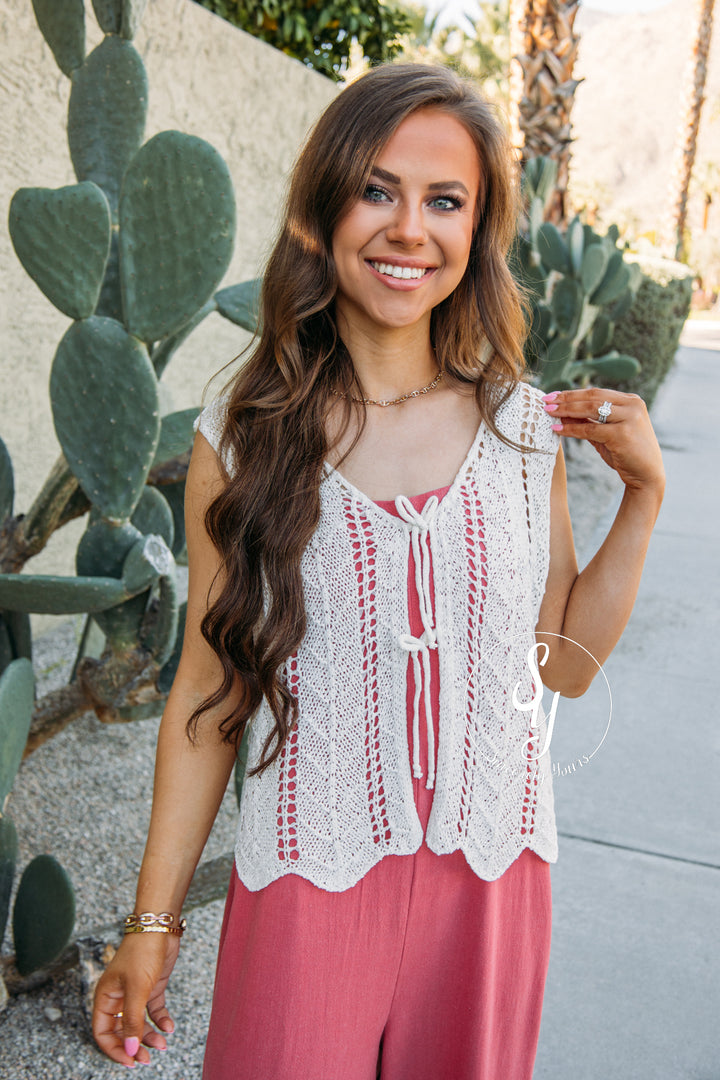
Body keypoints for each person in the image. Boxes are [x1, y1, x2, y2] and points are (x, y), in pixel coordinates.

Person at [92, 63, 665, 1078]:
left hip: (491, 889)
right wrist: (153, 920)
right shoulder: (247, 435)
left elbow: (564, 666)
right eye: (378, 189)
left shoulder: (519, 429)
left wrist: (642, 501)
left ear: (477, 231)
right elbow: (209, 690)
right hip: (308, 880)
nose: (411, 228)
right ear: (325, 205)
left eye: (445, 200)